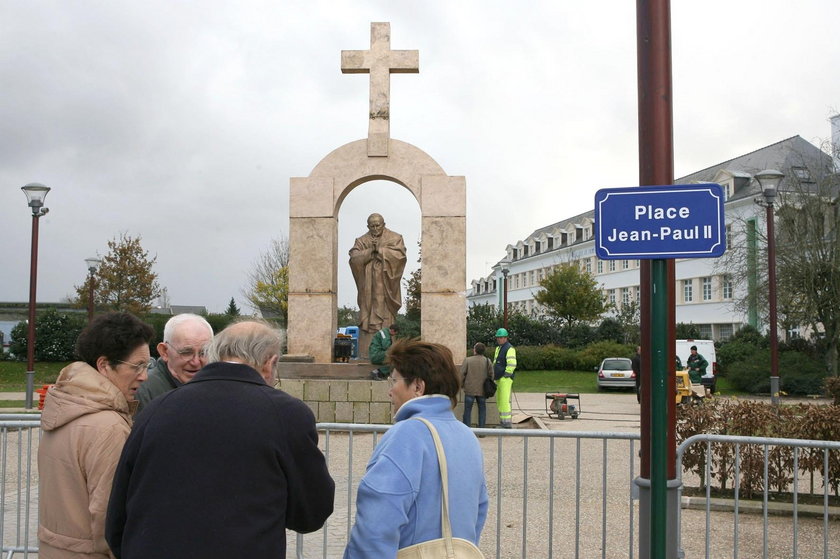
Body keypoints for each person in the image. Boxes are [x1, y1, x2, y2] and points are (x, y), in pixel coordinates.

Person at [106, 320, 334, 559]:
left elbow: (118, 516)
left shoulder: (155, 409)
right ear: (270, 363)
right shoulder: (287, 414)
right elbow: (311, 512)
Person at [343, 339, 488, 558]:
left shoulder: (406, 435)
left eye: (394, 381)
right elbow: (478, 509)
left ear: (418, 387)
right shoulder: (467, 435)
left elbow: (376, 526)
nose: (390, 391)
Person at [38, 312, 154, 559]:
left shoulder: (64, 407)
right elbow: (109, 520)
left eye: (148, 365)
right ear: (104, 365)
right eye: (138, 366)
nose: (144, 376)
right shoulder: (107, 427)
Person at [136, 313, 213, 412]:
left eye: (204, 352)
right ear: (164, 351)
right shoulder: (144, 392)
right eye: (186, 352)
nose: (196, 362)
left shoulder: (217, 388)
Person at [348, 213, 407, 334]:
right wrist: (370, 251)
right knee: (368, 305)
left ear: (383, 224)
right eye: (372, 226)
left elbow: (400, 256)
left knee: (385, 313)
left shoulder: (395, 237)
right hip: (368, 284)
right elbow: (354, 257)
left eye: (377, 225)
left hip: (386, 282)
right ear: (368, 226)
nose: (375, 228)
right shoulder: (361, 240)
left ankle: (383, 329)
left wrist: (380, 251)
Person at [461, 342, 494, 429]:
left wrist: (462, 385)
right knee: (482, 410)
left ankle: (467, 431)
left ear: (475, 350)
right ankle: (482, 431)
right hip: (482, 390)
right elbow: (491, 375)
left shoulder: (468, 360)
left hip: (469, 389)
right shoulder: (488, 361)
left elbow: (462, 374)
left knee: (467, 411)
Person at [492, 328, 517, 429]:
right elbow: (495, 363)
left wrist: (507, 374)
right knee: (500, 400)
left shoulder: (509, 348)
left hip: (505, 379)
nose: (499, 339)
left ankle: (506, 424)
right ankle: (503, 422)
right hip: (499, 378)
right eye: (498, 337)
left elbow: (512, 363)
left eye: (501, 337)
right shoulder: (498, 348)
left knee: (504, 401)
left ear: (506, 338)